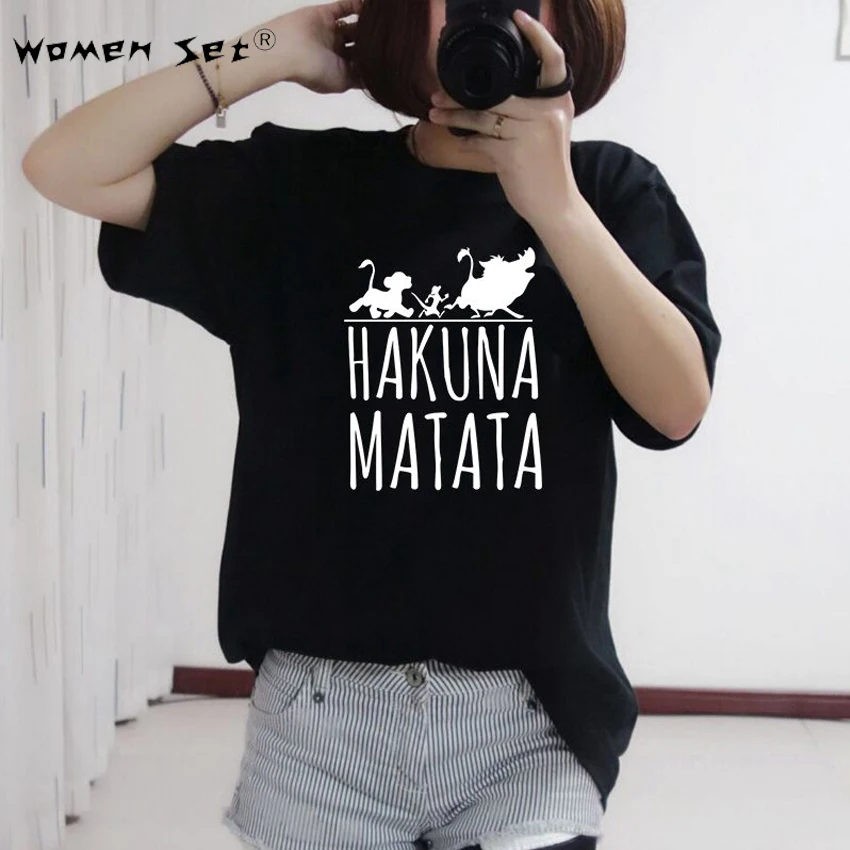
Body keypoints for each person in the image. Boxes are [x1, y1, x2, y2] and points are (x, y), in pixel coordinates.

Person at [22, 1, 722, 848]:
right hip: (318, 727)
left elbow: (675, 407)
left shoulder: (609, 192)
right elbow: (65, 166)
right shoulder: (300, 186)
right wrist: (271, 50)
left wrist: (556, 208)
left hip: (532, 723)